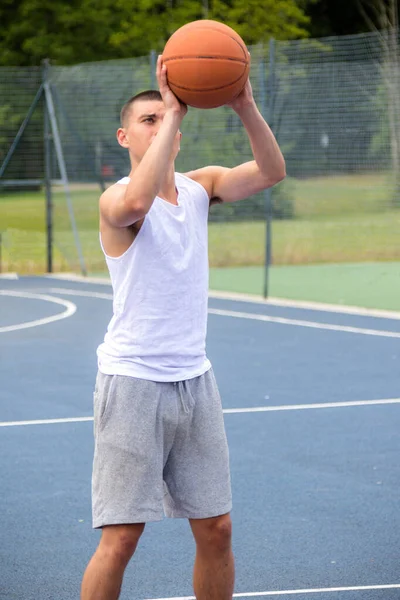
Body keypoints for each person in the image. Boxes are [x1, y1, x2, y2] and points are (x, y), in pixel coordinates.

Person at [81, 55, 285, 600]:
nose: (161, 123)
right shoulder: (116, 201)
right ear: (125, 136)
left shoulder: (200, 188)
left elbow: (271, 171)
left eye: (166, 117)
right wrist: (172, 108)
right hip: (132, 383)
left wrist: (244, 104)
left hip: (196, 382)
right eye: (147, 120)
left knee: (217, 529)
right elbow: (138, 200)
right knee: (121, 538)